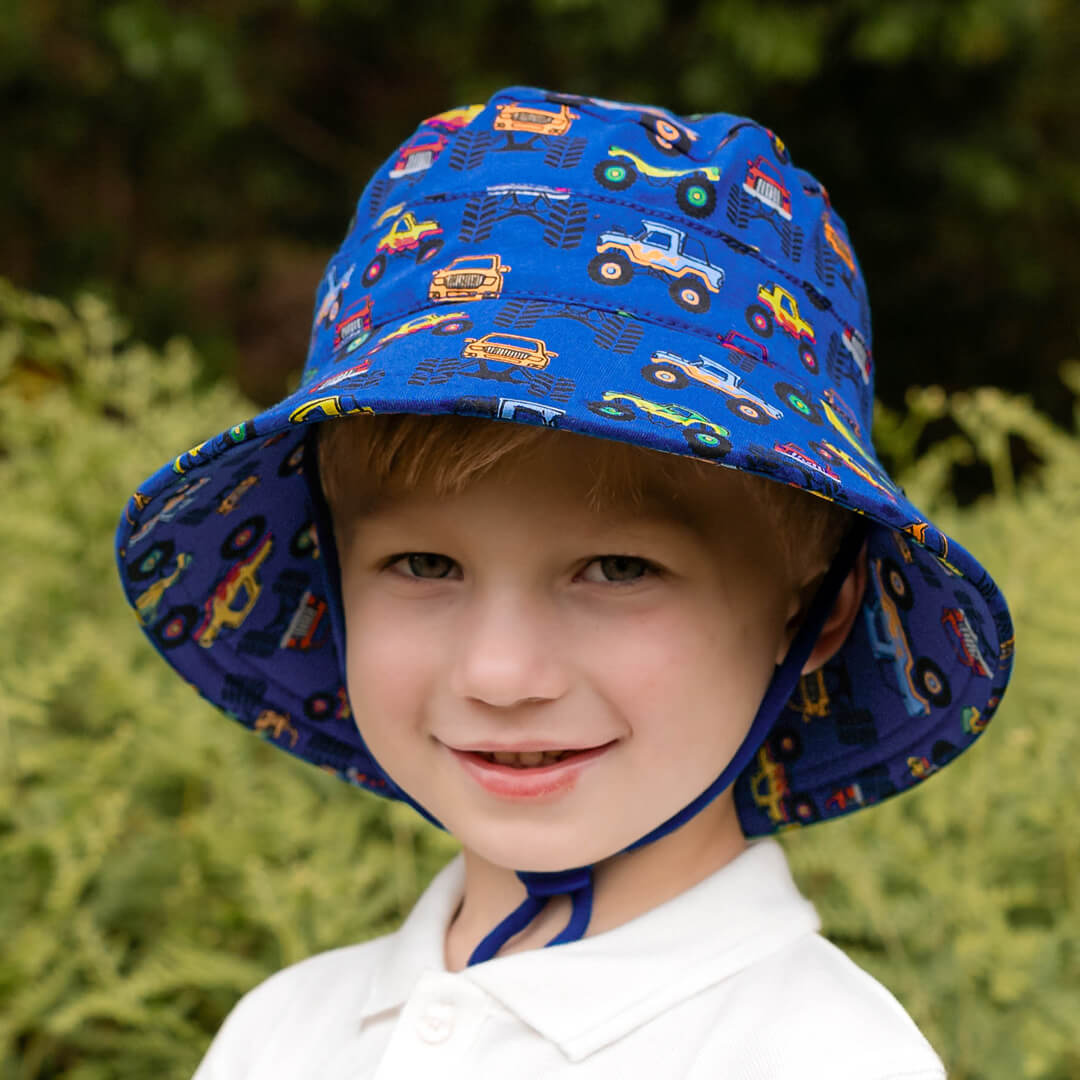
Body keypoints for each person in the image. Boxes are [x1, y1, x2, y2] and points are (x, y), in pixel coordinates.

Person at [115, 86, 1015, 1078]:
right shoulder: (283, 1035)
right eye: (423, 564)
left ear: (815, 611)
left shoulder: (825, 1058)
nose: (502, 673)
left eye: (620, 568)